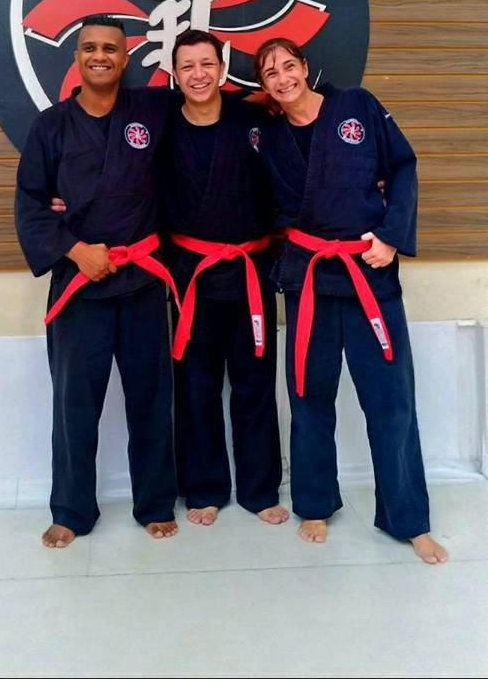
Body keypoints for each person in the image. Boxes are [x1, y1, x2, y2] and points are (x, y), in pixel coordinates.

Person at [253, 37, 448, 564]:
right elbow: (247, 200)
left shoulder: (356, 106)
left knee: (391, 400)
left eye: (288, 66)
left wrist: (390, 235)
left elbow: (403, 166)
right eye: (270, 72)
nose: (282, 78)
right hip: (310, 279)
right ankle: (315, 502)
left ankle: (408, 519)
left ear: (305, 68)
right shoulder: (266, 139)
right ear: (265, 86)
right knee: (308, 394)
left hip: (368, 272)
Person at [15, 14, 179, 547]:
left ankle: (154, 502)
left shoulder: (153, 111)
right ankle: (70, 510)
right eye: (90, 48)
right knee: (75, 402)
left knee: (151, 398)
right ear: (77, 57)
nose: (100, 56)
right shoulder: (51, 125)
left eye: (111, 48)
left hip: (143, 284)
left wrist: (272, 105)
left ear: (126, 58)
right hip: (79, 285)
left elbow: (209, 116)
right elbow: (32, 203)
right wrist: (75, 249)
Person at [161, 28, 289, 527]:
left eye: (207, 64)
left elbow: (299, 155)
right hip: (192, 274)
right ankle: (205, 487)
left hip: (252, 271)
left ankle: (260, 489)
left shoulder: (254, 117)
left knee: (255, 382)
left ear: (222, 66)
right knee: (197, 385)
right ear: (174, 74)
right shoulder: (161, 123)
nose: (198, 74)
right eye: (188, 66)